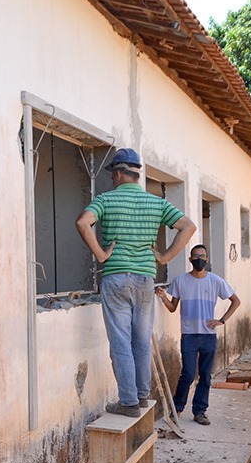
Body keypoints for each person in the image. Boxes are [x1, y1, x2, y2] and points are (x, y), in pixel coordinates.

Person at [75, 148, 196, 418]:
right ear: (137, 175)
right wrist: (164, 257)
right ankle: (141, 396)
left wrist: (102, 254)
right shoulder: (157, 203)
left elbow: (83, 223)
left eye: (113, 175)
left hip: (116, 278)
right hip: (145, 279)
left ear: (118, 173)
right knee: (141, 341)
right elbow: (188, 227)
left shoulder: (106, 200)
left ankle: (128, 401)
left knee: (120, 341)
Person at [155, 244, 241, 425]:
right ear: (190, 259)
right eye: (195, 256)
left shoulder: (216, 281)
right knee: (187, 373)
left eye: (202, 255)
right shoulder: (180, 281)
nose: (199, 259)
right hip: (189, 335)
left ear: (207, 259)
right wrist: (163, 297)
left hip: (208, 335)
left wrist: (222, 320)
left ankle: (200, 411)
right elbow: (172, 308)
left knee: (205, 375)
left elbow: (235, 301)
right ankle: (177, 408)